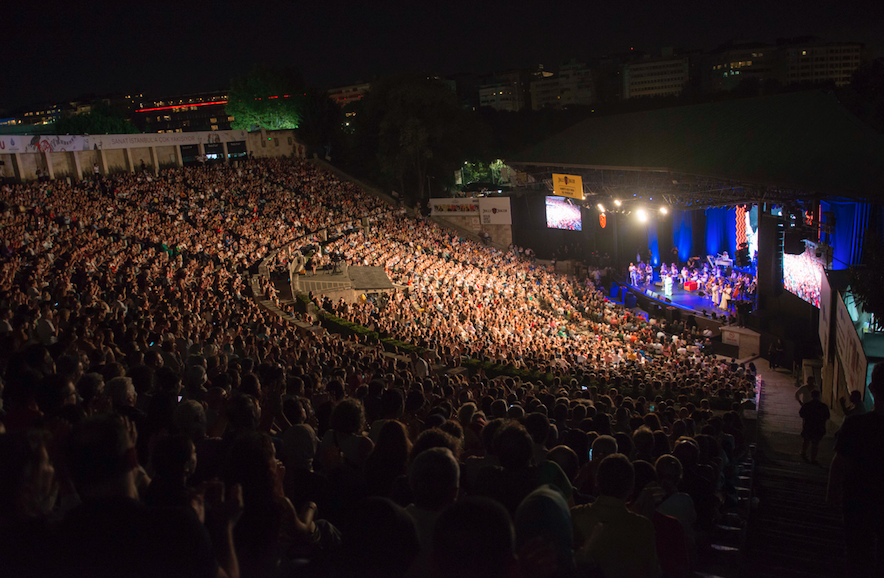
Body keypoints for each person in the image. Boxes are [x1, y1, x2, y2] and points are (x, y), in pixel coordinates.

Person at [827, 363, 884, 577]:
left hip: (857, 501)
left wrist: (831, 496)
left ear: (871, 389)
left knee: (857, 553)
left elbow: (838, 463)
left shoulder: (855, 424)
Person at [571, 453, 659, 578]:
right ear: (631, 487)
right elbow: (652, 572)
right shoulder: (642, 527)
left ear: (597, 481)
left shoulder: (575, 516)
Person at [799, 389, 829, 464]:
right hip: (819, 427)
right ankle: (813, 459)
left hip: (808, 426)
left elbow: (801, 414)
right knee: (815, 444)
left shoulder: (807, 405)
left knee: (806, 440)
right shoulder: (823, 406)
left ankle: (803, 453)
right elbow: (827, 416)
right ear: (819, 396)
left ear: (811, 396)